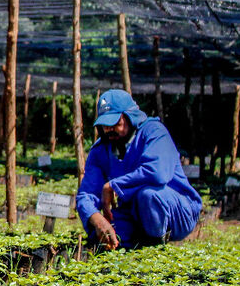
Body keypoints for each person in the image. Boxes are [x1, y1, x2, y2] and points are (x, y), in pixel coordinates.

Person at [76, 89, 200, 249]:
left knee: (148, 196)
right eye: (105, 125)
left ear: (130, 117)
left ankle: (156, 250)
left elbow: (157, 173)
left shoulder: (154, 132)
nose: (109, 130)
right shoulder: (100, 150)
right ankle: (135, 246)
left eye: (116, 123)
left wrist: (113, 185)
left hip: (177, 211)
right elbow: (85, 195)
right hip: (133, 211)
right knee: (109, 238)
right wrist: (96, 218)